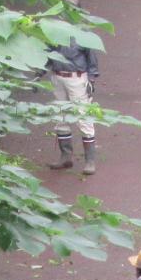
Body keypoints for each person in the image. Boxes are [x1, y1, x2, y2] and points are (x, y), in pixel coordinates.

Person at [45, 36, 100, 176]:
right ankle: (65, 157)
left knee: (83, 117)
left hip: (77, 79)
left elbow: (92, 60)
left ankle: (90, 161)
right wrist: (38, 73)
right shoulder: (54, 35)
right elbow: (47, 56)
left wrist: (92, 80)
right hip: (58, 77)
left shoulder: (83, 37)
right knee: (61, 116)